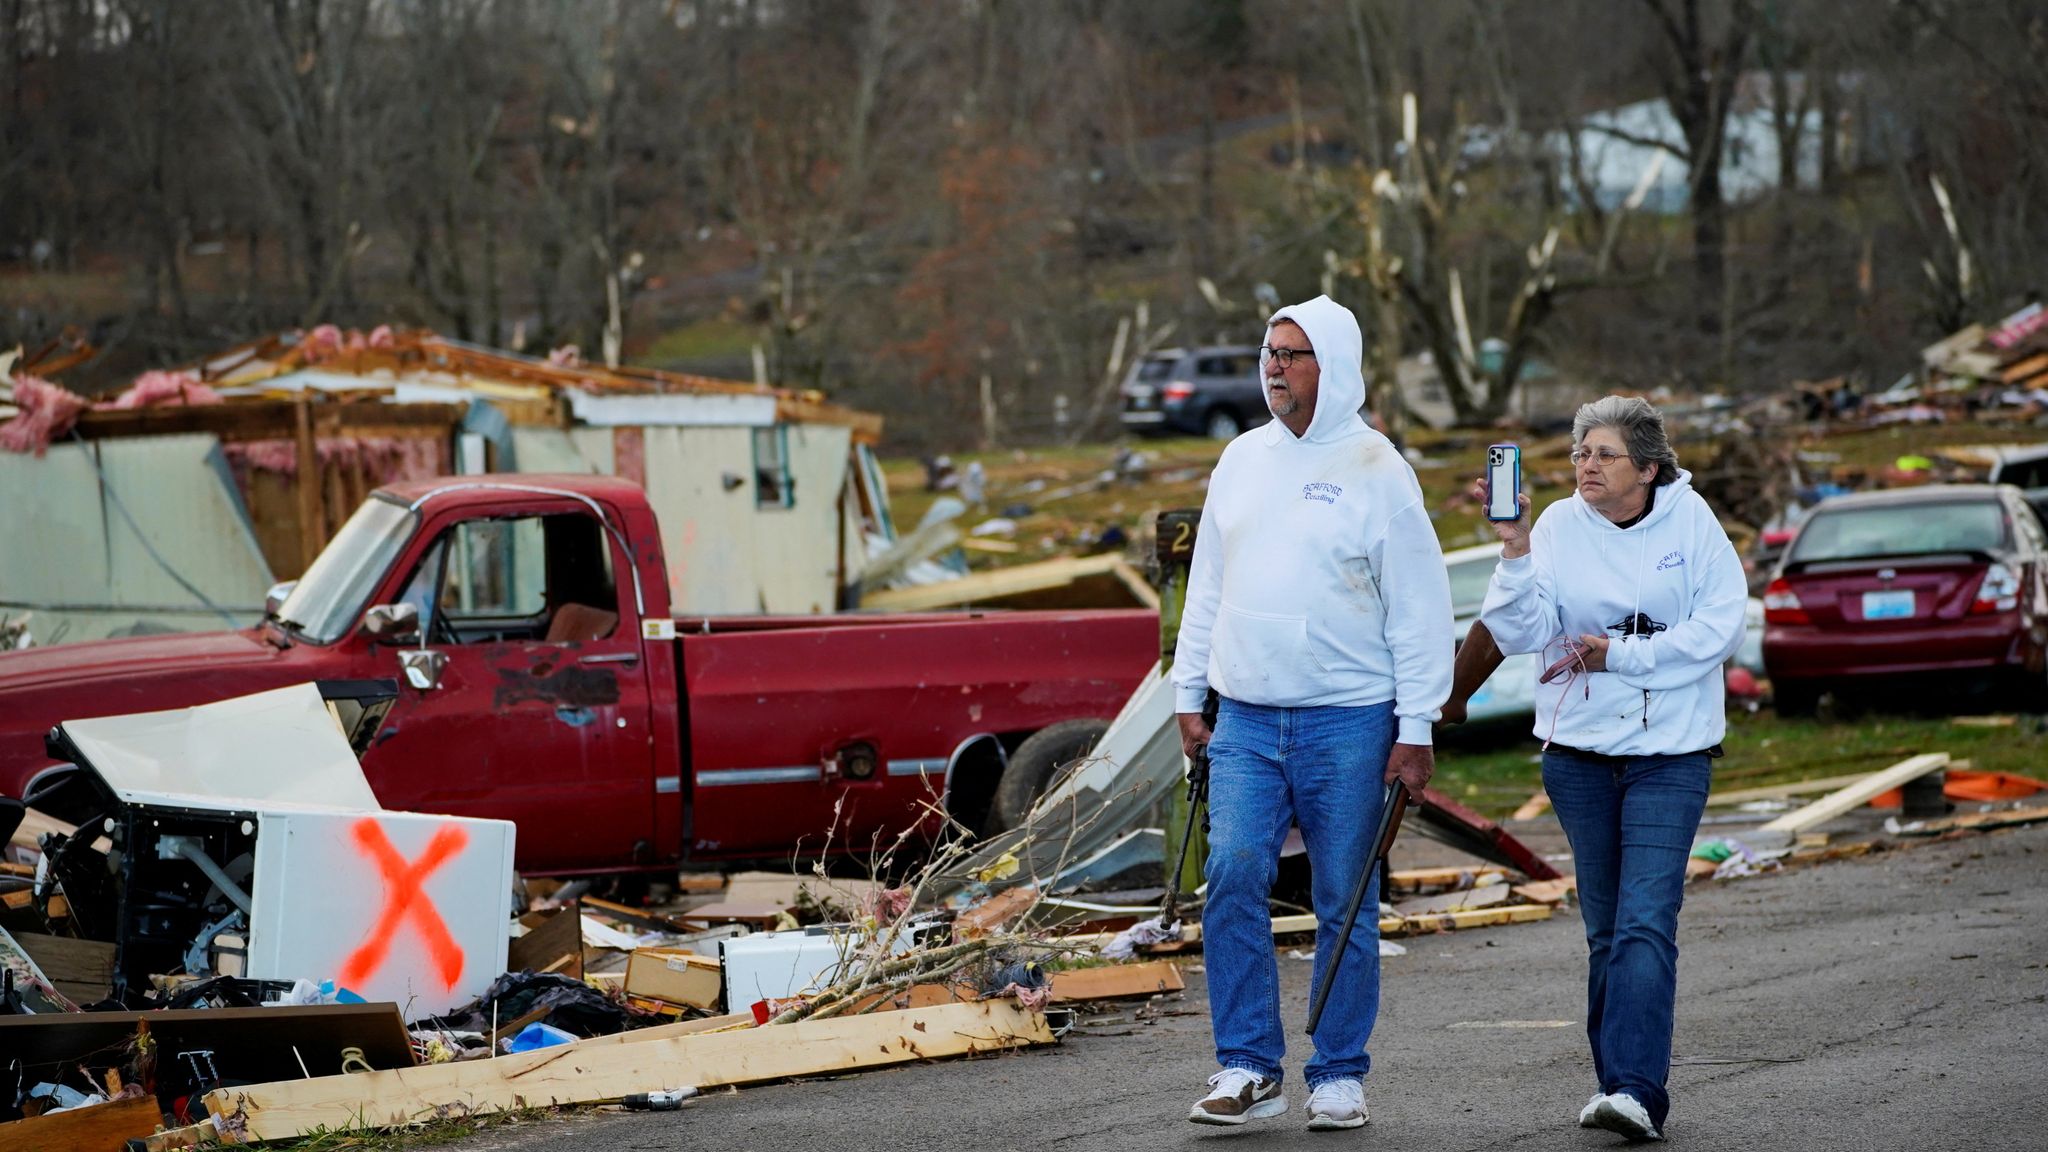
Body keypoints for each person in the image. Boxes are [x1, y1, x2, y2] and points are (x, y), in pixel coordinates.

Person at [1172, 295, 1452, 1131]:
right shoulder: (1240, 460)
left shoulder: (1378, 469)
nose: (1274, 366)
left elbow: (1420, 611)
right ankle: (1249, 1067)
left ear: (1331, 366)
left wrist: (1417, 727)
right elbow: (1208, 587)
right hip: (1248, 720)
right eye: (1268, 352)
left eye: (1292, 354)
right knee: (1231, 875)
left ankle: (1338, 1072)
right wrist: (1189, 694)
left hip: (1351, 719)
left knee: (1344, 897)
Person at [1470, 394, 1747, 1141]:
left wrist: (1624, 656)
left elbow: (1720, 626)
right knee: (1606, 932)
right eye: (1579, 453)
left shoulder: (1692, 523)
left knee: (1646, 923)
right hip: (1581, 759)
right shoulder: (1558, 525)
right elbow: (1523, 629)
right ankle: (1615, 1085)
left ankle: (1637, 1091)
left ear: (1648, 468)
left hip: (1672, 757)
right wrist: (1515, 545)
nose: (1586, 466)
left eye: (1604, 455)